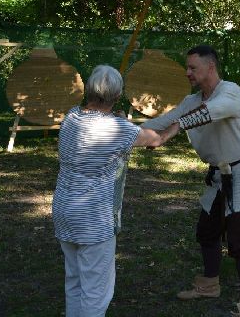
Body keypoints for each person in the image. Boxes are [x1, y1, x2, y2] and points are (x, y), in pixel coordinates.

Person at [141, 44, 240, 317]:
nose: (187, 72)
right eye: (187, 67)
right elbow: (163, 121)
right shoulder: (191, 101)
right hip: (219, 175)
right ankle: (209, 286)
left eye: (192, 67)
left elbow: (208, 112)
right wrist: (123, 132)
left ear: (210, 67)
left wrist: (175, 129)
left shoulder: (231, 92)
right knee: (207, 232)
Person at [52, 65, 180, 317]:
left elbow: (102, 126)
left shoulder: (71, 117)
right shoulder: (120, 130)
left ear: (89, 90)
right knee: (96, 292)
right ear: (118, 95)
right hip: (94, 220)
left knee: (75, 281)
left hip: (64, 211)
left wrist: (119, 120)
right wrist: (178, 124)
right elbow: (157, 139)